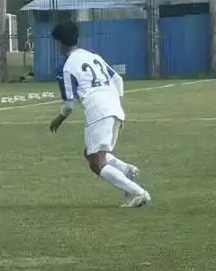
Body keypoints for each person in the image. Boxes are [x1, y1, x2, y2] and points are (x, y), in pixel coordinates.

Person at [48, 21, 150, 208]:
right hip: (114, 107)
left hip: (98, 111)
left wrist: (59, 119)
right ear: (77, 39)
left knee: (96, 163)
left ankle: (138, 193)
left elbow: (68, 105)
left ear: (59, 43)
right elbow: (118, 79)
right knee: (90, 152)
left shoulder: (65, 66)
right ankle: (126, 170)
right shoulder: (93, 56)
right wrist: (117, 105)